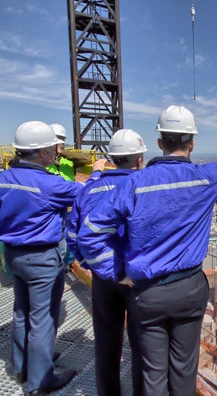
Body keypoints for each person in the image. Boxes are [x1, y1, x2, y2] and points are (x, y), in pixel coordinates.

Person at [78, 105, 217, 395]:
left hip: (148, 292)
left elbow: (90, 233)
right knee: (184, 370)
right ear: (192, 143)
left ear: (158, 143)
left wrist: (114, 272)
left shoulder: (134, 183)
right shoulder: (206, 177)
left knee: (152, 375)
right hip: (190, 288)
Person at [0, 121, 106, 395]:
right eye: (52, 148)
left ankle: (21, 366)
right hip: (41, 257)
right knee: (43, 318)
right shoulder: (48, 184)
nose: (55, 153)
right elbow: (85, 194)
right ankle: (40, 381)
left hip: (13, 255)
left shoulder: (1, 181)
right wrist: (96, 173)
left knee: (21, 311)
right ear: (41, 153)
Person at [67, 129, 147, 395]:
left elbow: (73, 235)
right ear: (139, 159)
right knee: (141, 346)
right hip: (136, 279)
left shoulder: (89, 188)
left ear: (112, 158)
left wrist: (90, 265)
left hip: (103, 277)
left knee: (106, 341)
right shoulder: (146, 186)